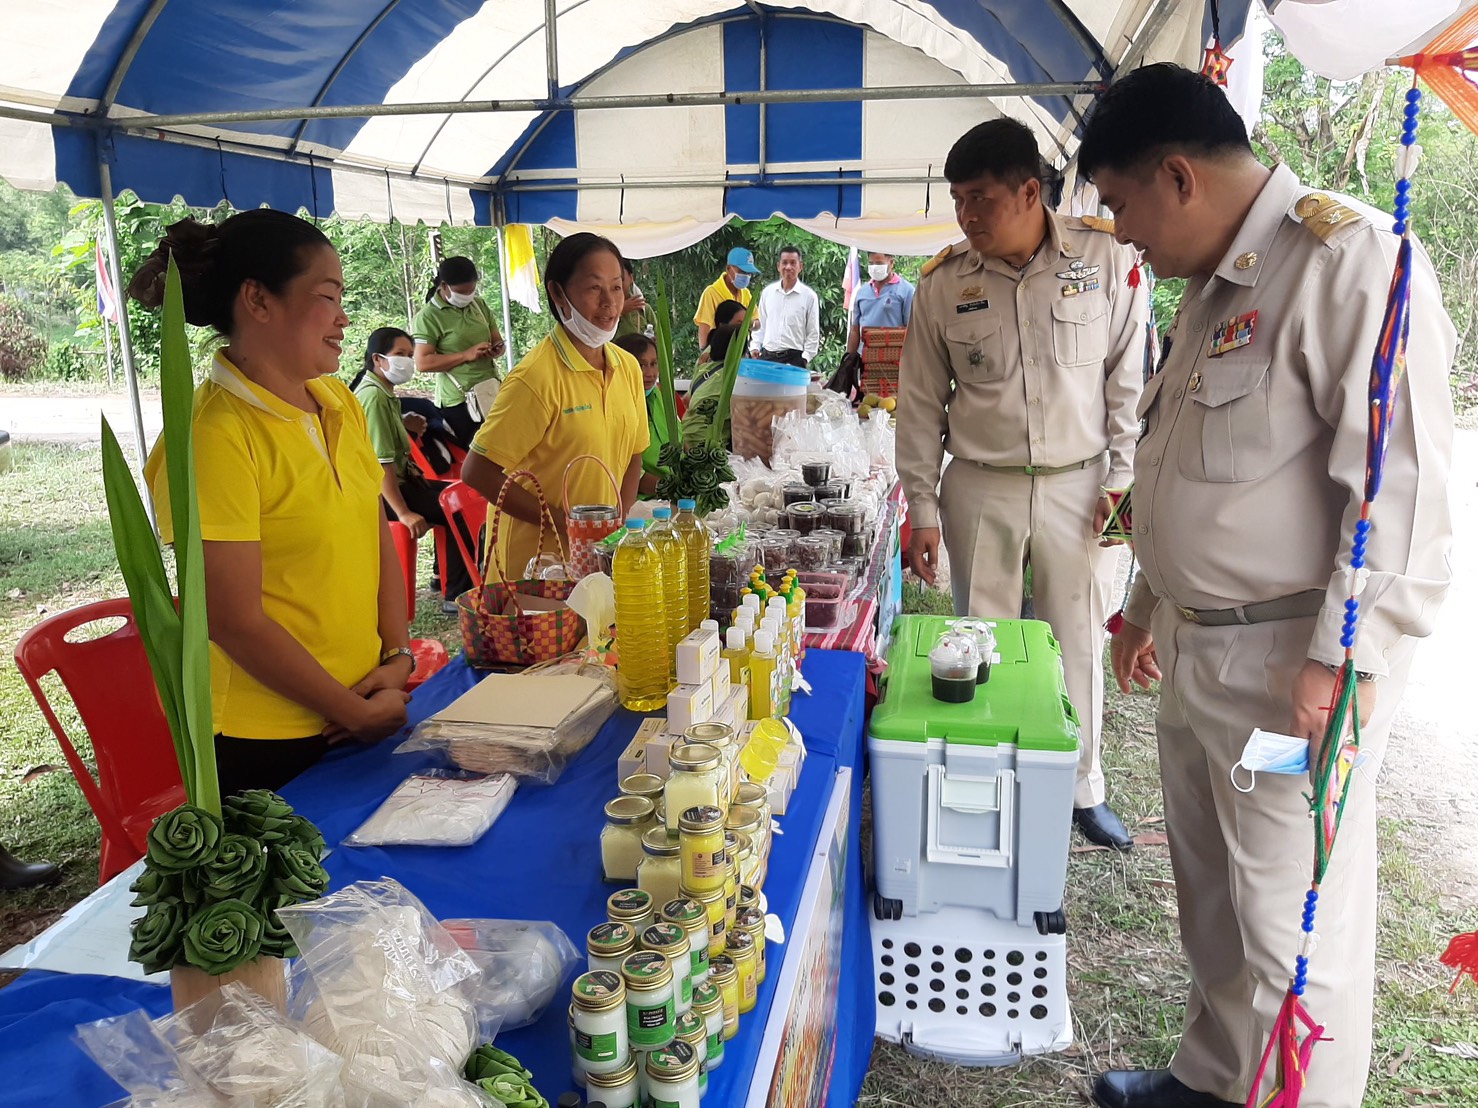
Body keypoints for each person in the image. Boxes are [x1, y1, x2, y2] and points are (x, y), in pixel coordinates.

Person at [1078, 64, 1454, 1108]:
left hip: (1289, 668)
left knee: (1292, 927)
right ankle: (1211, 1079)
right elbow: (1183, 468)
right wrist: (1145, 604)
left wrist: (1344, 663)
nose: (1117, 232)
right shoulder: (1211, 285)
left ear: (1176, 176)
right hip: (1203, 652)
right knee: (1213, 895)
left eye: (1117, 205)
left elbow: (1401, 497)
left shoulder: (1349, 265)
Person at [897, 117, 1147, 850]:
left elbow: (1130, 379)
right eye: (958, 201)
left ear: (1030, 191)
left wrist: (1125, 480)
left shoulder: (1103, 258)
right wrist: (919, 507)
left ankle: (1081, 788)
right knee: (983, 636)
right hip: (983, 484)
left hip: (1084, 485)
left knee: (1076, 639)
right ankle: (991, 774)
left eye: (980, 198)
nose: (966, 216)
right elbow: (918, 405)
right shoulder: (944, 283)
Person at [131, 210, 412, 798]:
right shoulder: (214, 435)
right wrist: (351, 711)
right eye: (327, 297)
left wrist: (398, 655)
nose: (344, 318)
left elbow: (374, 533)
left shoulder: (337, 400)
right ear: (258, 300)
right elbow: (235, 620)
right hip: (267, 737)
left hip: (366, 701)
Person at [462, 233, 647, 580]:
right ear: (558, 293)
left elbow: (634, 453)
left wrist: (618, 524)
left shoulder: (628, 367)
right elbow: (477, 472)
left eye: (617, 287)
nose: (609, 303)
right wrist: (570, 525)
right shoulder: (536, 378)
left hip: (596, 560)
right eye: (594, 288)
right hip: (536, 570)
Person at [352, 326, 474, 605]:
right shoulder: (374, 397)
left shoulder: (380, 392)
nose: (406, 360)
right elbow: (381, 464)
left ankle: (441, 576)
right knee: (458, 510)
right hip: (385, 494)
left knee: (457, 498)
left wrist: (404, 424)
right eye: (399, 354)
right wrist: (404, 513)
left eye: (409, 354)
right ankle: (457, 594)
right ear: (378, 359)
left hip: (402, 482)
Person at [410, 256, 506, 446]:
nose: (468, 296)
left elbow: (497, 340)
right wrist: (466, 355)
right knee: (477, 454)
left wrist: (496, 349)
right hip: (459, 400)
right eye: (462, 292)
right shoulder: (428, 317)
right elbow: (422, 362)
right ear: (444, 286)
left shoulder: (479, 305)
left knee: (501, 449)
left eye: (471, 290)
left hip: (489, 391)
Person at [837, 252, 914, 386]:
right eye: (871, 263)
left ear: (891, 263)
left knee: (892, 401)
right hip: (866, 359)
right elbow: (855, 330)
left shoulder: (906, 290)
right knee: (868, 399)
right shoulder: (862, 292)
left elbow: (911, 330)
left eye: (879, 263)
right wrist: (849, 360)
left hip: (894, 360)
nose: (874, 267)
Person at [614, 332, 675, 497]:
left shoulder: (659, 395)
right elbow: (633, 473)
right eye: (641, 365)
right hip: (642, 501)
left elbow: (680, 440)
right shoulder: (617, 407)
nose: (650, 373)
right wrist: (672, 490)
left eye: (654, 363)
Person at [681, 300, 747, 449]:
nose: (745, 328)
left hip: (685, 437)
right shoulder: (734, 375)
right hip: (708, 448)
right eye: (739, 323)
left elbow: (687, 400)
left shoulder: (706, 361)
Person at [751, 244, 820, 368]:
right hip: (767, 357)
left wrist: (805, 358)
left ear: (801, 267)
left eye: (793, 263)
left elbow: (813, 332)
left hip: (794, 359)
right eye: (785, 263)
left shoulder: (809, 296)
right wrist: (755, 346)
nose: (788, 267)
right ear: (778, 266)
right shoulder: (768, 292)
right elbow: (761, 324)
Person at [694, 246, 760, 359]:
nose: (746, 276)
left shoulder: (746, 294)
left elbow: (757, 322)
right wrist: (705, 353)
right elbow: (704, 327)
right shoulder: (712, 292)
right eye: (742, 271)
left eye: (749, 273)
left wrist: (750, 324)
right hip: (718, 352)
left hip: (740, 351)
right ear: (729, 268)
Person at [615, 256, 656, 339]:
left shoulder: (643, 309)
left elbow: (659, 342)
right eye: (612, 279)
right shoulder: (602, 309)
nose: (618, 283)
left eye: (621, 278)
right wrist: (620, 311)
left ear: (631, 278)